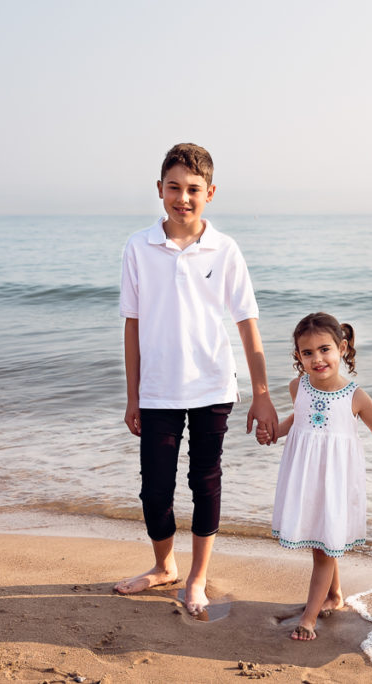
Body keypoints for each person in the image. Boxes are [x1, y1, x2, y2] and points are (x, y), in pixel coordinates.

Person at [115, 143, 279, 615]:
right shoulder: (138, 246)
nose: (182, 198)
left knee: (205, 481)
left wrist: (262, 395)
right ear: (159, 190)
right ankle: (164, 566)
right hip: (158, 390)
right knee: (155, 488)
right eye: (174, 188)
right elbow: (133, 324)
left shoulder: (225, 249)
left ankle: (198, 578)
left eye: (193, 189)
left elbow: (247, 323)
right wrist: (133, 396)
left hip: (212, 387)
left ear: (210, 192)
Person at [258, 313, 372, 641]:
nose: (317, 359)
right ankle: (334, 595)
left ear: (342, 348)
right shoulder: (298, 386)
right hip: (306, 478)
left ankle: (309, 617)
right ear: (298, 357)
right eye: (307, 353)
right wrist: (275, 432)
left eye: (325, 350)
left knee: (324, 549)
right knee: (321, 540)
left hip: (335, 481)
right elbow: (298, 417)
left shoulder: (356, 397)